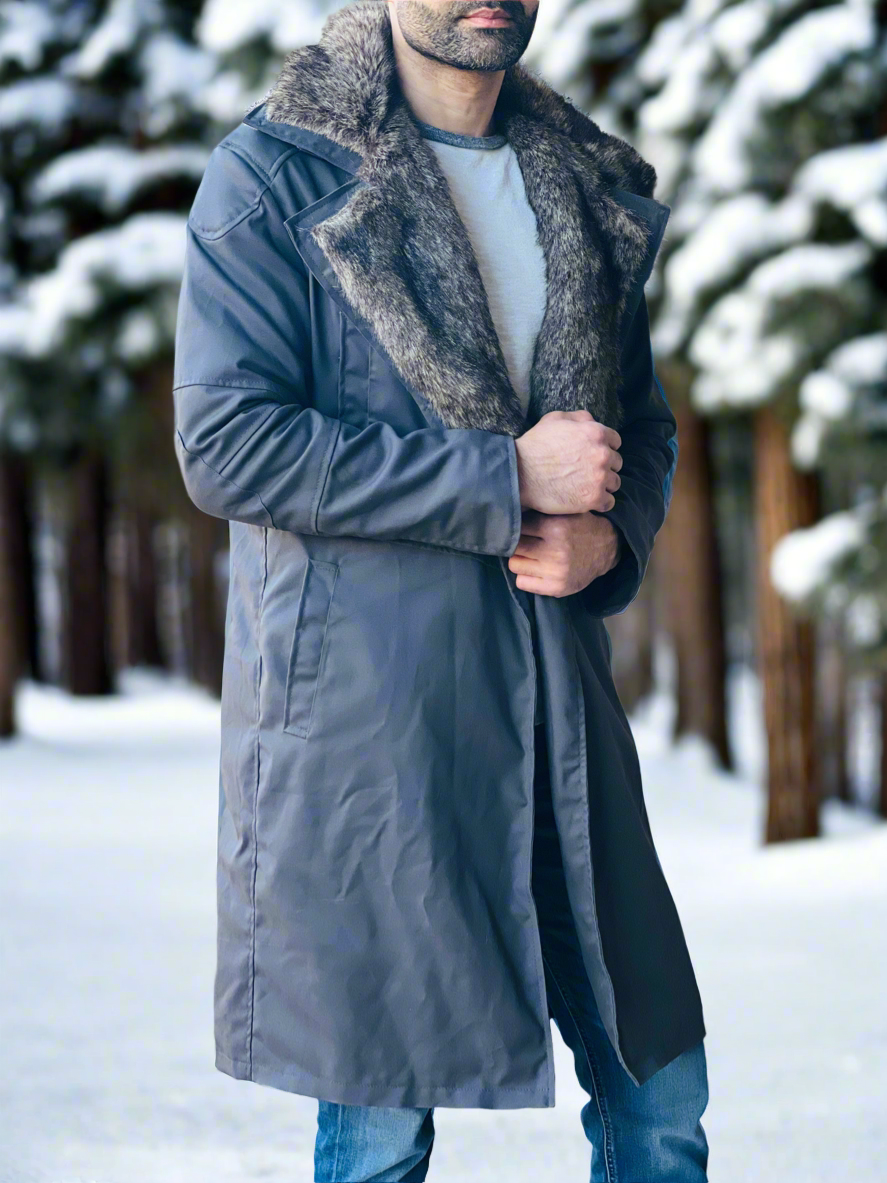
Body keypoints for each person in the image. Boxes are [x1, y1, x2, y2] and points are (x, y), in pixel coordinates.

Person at [172, 2, 709, 1179]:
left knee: (660, 1097)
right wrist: (500, 476)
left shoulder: (578, 179)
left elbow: (640, 428)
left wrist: (609, 537)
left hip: (557, 713)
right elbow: (227, 444)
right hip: (374, 730)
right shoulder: (272, 175)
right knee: (378, 1133)